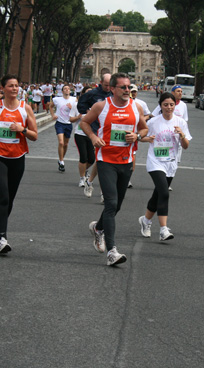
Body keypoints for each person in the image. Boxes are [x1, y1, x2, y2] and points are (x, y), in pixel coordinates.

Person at [80, 73, 148, 266]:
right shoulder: (101, 106)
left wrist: (137, 136)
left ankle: (98, 228)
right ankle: (112, 252)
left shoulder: (137, 107)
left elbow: (144, 129)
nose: (127, 90)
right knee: (110, 203)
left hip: (126, 161)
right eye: (123, 87)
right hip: (105, 160)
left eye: (129, 87)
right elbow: (85, 122)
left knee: (117, 205)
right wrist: (93, 138)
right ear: (112, 89)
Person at [0, 74, 38, 254]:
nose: (14, 88)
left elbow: (34, 135)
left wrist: (22, 129)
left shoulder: (25, 108)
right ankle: (2, 237)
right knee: (3, 196)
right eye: (11, 86)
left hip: (17, 158)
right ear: (3, 88)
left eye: (16, 86)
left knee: (10, 199)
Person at [138, 92, 191, 241]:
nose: (169, 107)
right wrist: (148, 138)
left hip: (171, 163)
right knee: (164, 193)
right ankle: (163, 229)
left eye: (171, 104)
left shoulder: (181, 122)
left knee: (158, 194)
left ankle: (146, 220)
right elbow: (140, 137)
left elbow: (186, 146)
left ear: (175, 105)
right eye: (165, 104)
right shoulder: (153, 122)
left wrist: (181, 135)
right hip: (155, 161)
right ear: (160, 106)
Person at [78, 74, 112, 199]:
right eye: (106, 85)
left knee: (103, 159)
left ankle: (90, 180)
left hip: (111, 130)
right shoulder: (92, 94)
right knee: (103, 160)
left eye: (110, 85)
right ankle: (104, 192)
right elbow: (80, 105)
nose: (108, 88)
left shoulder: (115, 94)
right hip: (96, 130)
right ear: (101, 82)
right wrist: (88, 112)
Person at [69, 86, 94, 188]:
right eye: (87, 93)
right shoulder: (77, 105)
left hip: (92, 135)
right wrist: (78, 116)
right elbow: (71, 119)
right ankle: (82, 178)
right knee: (83, 157)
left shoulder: (97, 106)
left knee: (92, 159)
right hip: (80, 134)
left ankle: (84, 170)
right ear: (83, 94)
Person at [128, 84, 151, 188]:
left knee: (132, 155)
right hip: (124, 132)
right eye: (131, 91)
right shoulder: (119, 102)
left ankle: (127, 178)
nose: (133, 93)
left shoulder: (140, 104)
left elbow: (148, 114)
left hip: (135, 134)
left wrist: (143, 120)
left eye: (134, 92)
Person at [49, 85, 75, 172]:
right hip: (59, 123)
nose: (67, 90)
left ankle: (61, 159)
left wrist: (72, 108)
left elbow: (77, 110)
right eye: (65, 89)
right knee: (61, 142)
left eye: (68, 89)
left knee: (66, 144)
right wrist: (53, 115)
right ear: (62, 91)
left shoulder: (74, 99)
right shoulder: (57, 99)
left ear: (70, 90)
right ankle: (62, 161)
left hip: (68, 123)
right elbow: (50, 106)